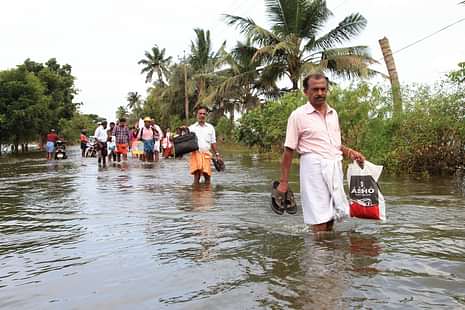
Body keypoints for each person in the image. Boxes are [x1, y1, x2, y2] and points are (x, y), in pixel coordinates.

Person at [277, 73, 365, 233]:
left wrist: (350, 152)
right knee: (319, 220)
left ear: (327, 90)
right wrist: (283, 182)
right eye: (315, 89)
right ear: (306, 92)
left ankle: (328, 254)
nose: (320, 93)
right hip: (313, 169)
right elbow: (289, 150)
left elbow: (334, 144)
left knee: (332, 217)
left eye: (323, 89)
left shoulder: (333, 114)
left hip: (334, 167)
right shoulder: (298, 115)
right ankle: (317, 256)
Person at [188, 106, 222, 185]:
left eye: (204, 114)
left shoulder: (210, 128)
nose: (202, 115)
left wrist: (217, 155)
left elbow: (213, 142)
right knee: (197, 177)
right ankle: (196, 195)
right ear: (197, 115)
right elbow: (183, 140)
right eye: (200, 113)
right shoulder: (191, 128)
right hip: (195, 154)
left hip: (206, 154)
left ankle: (207, 196)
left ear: (206, 115)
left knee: (207, 177)